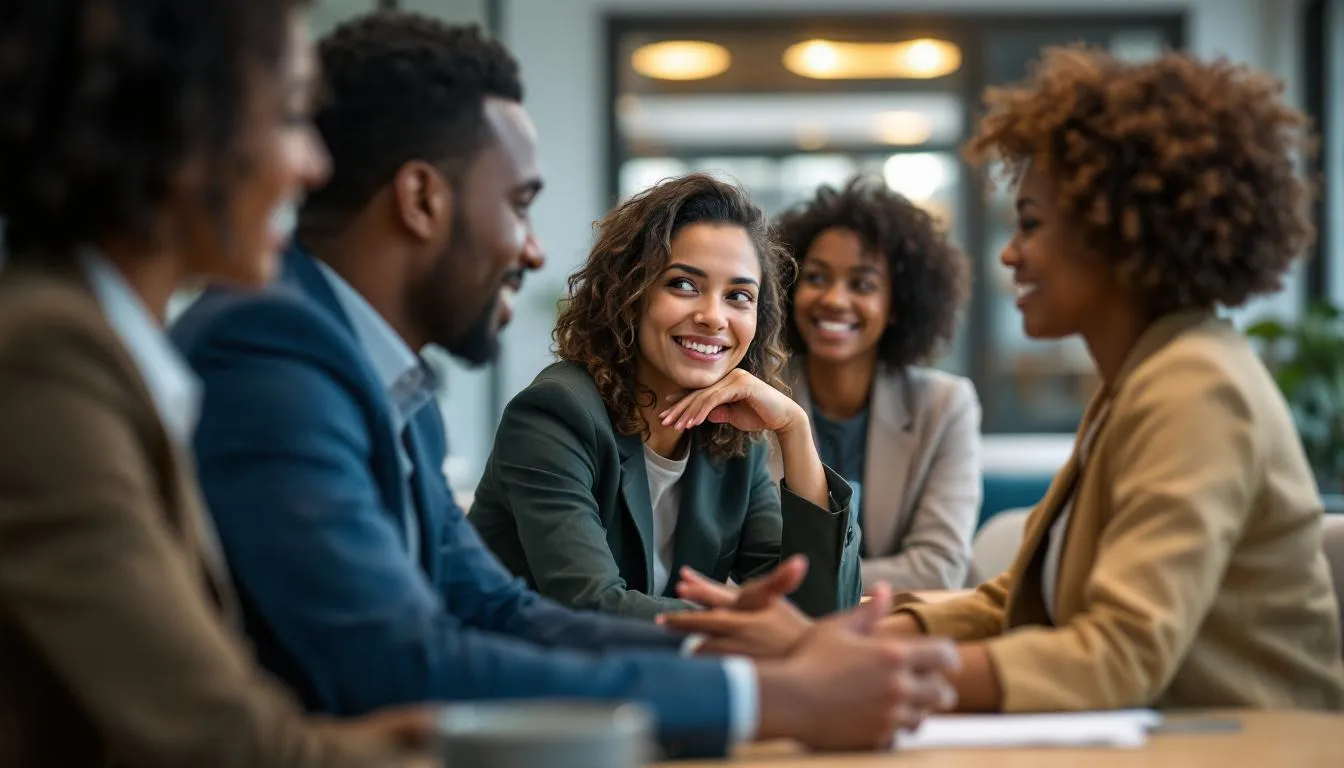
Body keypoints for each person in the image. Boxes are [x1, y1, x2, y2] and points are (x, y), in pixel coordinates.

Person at [172, 11, 959, 758]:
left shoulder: (392, 380)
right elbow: (410, 659)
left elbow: (492, 607)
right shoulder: (275, 350)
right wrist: (759, 690)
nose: (534, 250)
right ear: (421, 200)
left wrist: (755, 639)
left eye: (740, 294)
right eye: (518, 205)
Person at [665, 45, 1344, 713]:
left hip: (1258, 745)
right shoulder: (1143, 377)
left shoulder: (1196, 387)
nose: (1011, 254)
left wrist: (855, 662)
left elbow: (1119, 655)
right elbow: (1015, 597)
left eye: (1031, 224)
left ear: (1116, 233)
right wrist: (829, 638)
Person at [0, 1, 438, 765]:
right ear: (181, 124)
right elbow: (225, 743)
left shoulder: (101, 347)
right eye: (292, 118)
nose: (315, 165)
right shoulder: (50, 356)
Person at [470, 174, 862, 620]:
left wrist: (795, 430)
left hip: (656, 677)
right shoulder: (556, 415)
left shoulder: (730, 439)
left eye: (738, 295)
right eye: (683, 285)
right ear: (629, 295)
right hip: (522, 680)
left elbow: (822, 612)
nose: (713, 317)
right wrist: (746, 624)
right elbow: (591, 606)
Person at [773, 176, 980, 592]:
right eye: (816, 277)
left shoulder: (945, 405)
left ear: (898, 305)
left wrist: (819, 581)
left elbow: (938, 568)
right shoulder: (758, 400)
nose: (834, 299)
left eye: (862, 284)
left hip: (903, 631)